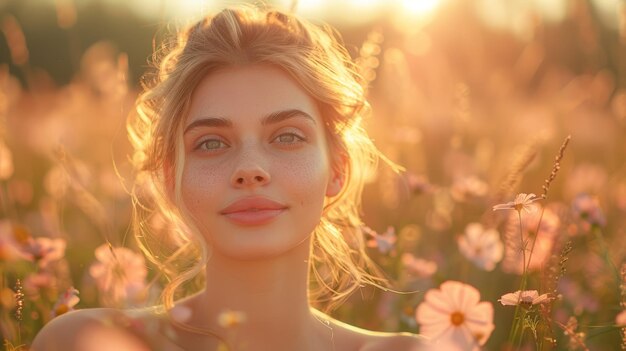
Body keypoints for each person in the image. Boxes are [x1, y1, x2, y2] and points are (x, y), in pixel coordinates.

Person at [32, 5, 424, 351]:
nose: (249, 169)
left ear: (337, 169)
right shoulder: (82, 342)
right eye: (211, 143)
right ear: (171, 179)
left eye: (287, 136)